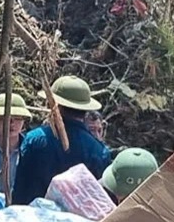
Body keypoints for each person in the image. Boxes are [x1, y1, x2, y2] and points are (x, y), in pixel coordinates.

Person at [9, 75, 111, 207]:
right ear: (85, 109)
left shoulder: (34, 140)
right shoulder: (99, 150)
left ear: (54, 105)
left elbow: (20, 193)